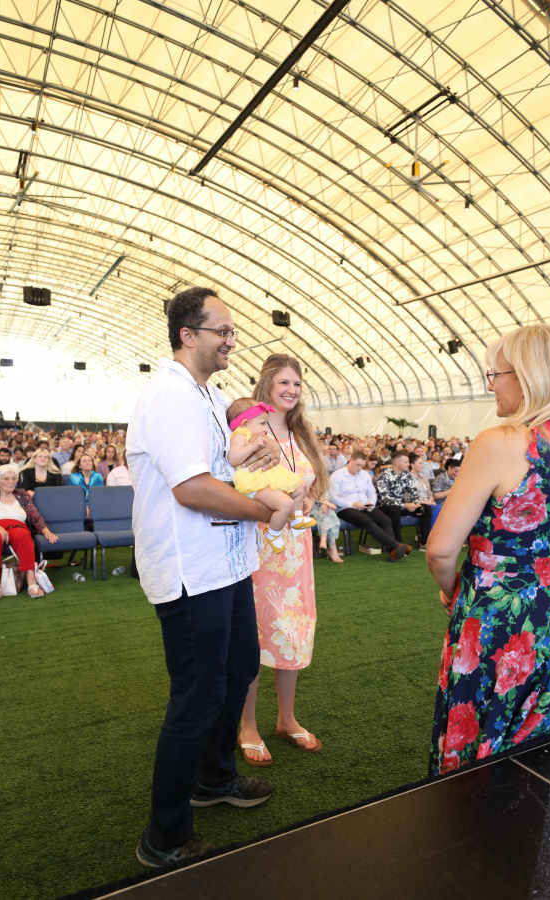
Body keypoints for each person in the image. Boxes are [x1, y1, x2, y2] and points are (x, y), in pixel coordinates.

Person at [127, 286, 278, 868]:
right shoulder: (169, 396)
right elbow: (191, 488)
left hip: (227, 562)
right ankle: (164, 836)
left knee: (239, 668)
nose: (232, 341)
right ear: (187, 335)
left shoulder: (210, 397)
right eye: (223, 331)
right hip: (191, 569)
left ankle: (213, 779)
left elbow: (219, 470)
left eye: (232, 331)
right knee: (198, 693)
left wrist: (254, 465)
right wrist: (263, 509)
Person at [427, 323, 550, 775]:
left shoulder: (498, 442)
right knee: (535, 762)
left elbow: (440, 550)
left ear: (528, 375)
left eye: (495, 374)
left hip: (495, 615)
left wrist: (457, 591)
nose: (490, 385)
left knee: (474, 755)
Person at [238, 354, 328, 766]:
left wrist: (307, 499)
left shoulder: (301, 431)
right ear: (267, 386)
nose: (292, 390)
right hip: (262, 546)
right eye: (284, 383)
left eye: (297, 383)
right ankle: (247, 726)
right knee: (255, 637)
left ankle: (286, 719)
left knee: (291, 631)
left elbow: (309, 483)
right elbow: (241, 486)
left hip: (297, 550)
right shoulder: (251, 430)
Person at [226, 398, 315, 553]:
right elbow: (233, 458)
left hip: (265, 476)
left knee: (300, 488)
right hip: (253, 481)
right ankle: (273, 533)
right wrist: (251, 447)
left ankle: (297, 519)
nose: (265, 428)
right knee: (286, 504)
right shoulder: (241, 434)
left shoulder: (256, 435)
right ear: (244, 423)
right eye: (262, 423)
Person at [0, 464, 58, 602]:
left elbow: (34, 515)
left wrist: (46, 530)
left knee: (23, 535)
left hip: (18, 527)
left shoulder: (22, 495)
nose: (11, 481)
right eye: (6, 478)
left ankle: (32, 582)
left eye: (13, 478)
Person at [329, 449, 411, 561]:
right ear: (351, 460)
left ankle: (393, 551)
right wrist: (352, 504)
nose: (359, 468)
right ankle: (395, 546)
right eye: (357, 465)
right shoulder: (337, 475)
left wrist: (371, 502)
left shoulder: (364, 474)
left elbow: (372, 493)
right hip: (345, 508)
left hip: (364, 505)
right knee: (365, 520)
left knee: (386, 520)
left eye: (362, 466)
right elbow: (332, 497)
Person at [375, 450, 432, 549]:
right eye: (406, 462)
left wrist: (416, 504)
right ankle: (398, 544)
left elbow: (414, 494)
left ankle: (423, 542)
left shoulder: (407, 475)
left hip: (400, 506)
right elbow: (385, 499)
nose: (408, 464)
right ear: (397, 463)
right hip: (384, 507)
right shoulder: (384, 476)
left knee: (426, 508)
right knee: (395, 509)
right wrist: (405, 505)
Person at [409, 453, 442, 532]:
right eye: (420, 463)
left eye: (423, 463)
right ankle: (431, 535)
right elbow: (409, 498)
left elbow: (430, 492)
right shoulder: (407, 478)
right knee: (436, 509)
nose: (423, 465)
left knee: (442, 508)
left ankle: (438, 534)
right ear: (412, 465)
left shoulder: (424, 478)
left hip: (429, 502)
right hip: (417, 504)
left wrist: (431, 500)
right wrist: (428, 502)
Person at [312, 497, 344, 562]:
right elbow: (310, 496)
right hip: (308, 507)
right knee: (328, 513)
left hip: (321, 508)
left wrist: (325, 503)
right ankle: (332, 548)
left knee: (328, 511)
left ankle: (324, 539)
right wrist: (326, 502)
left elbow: (325, 495)